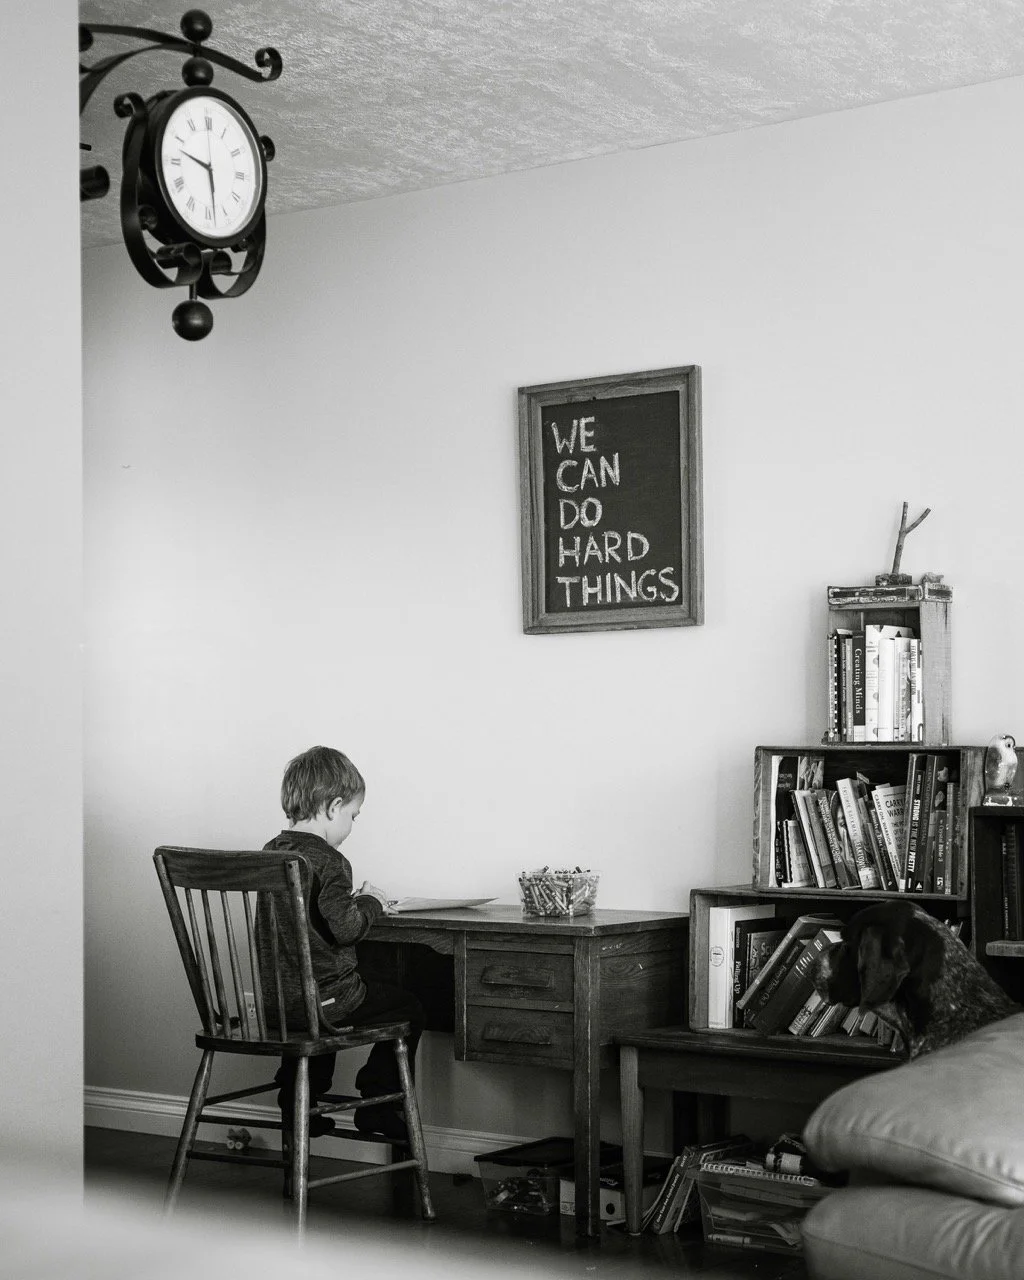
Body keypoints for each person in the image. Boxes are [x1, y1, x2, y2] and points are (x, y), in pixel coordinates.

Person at [257, 744, 423, 1141]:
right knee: (410, 1007)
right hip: (325, 1003)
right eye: (353, 815)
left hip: (277, 1004)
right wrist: (371, 901)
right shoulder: (329, 861)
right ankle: (381, 1103)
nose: (351, 824)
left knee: (316, 1017)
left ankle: (298, 1103)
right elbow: (346, 928)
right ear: (333, 807)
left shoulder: (268, 854)